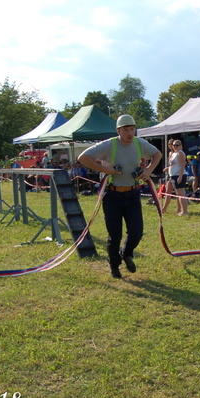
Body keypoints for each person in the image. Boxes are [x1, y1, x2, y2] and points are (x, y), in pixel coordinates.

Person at [78, 114, 162, 279]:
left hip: (132, 194)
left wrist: (148, 170)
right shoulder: (109, 145)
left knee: (137, 232)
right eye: (126, 130)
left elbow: (157, 154)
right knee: (115, 235)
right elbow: (83, 158)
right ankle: (114, 265)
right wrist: (106, 170)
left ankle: (126, 253)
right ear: (118, 131)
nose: (130, 133)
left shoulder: (139, 143)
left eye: (132, 129)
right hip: (112, 196)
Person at [166, 140, 188, 216]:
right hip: (173, 175)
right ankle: (180, 210)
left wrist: (180, 176)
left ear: (181, 146)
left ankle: (184, 211)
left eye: (177, 145)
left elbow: (182, 165)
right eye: (174, 145)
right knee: (178, 194)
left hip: (178, 175)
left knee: (181, 194)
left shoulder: (180, 153)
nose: (175, 146)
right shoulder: (174, 154)